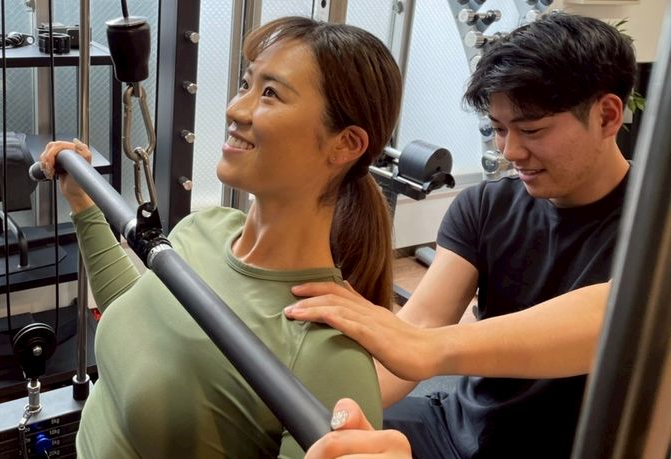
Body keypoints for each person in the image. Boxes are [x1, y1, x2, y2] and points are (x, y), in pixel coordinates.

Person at [40, 16, 402, 459]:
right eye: (246, 84)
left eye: (270, 93)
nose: (235, 109)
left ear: (345, 144)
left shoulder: (331, 359)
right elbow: (135, 316)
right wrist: (83, 205)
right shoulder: (206, 227)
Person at [286, 12, 634, 458]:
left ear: (607, 116)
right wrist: (309, 409)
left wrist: (429, 347)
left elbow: (618, 314)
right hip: (456, 426)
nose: (510, 151)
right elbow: (421, 325)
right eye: (499, 129)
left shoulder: (655, 226)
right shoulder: (485, 206)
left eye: (531, 130)